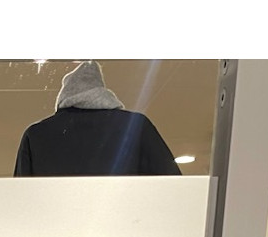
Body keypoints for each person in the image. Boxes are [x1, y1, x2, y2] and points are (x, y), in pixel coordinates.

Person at [14, 60, 182, 177]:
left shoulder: (36, 136)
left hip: (57, 219)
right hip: (126, 218)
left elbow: (21, 199)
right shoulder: (135, 127)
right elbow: (174, 188)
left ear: (64, 95)